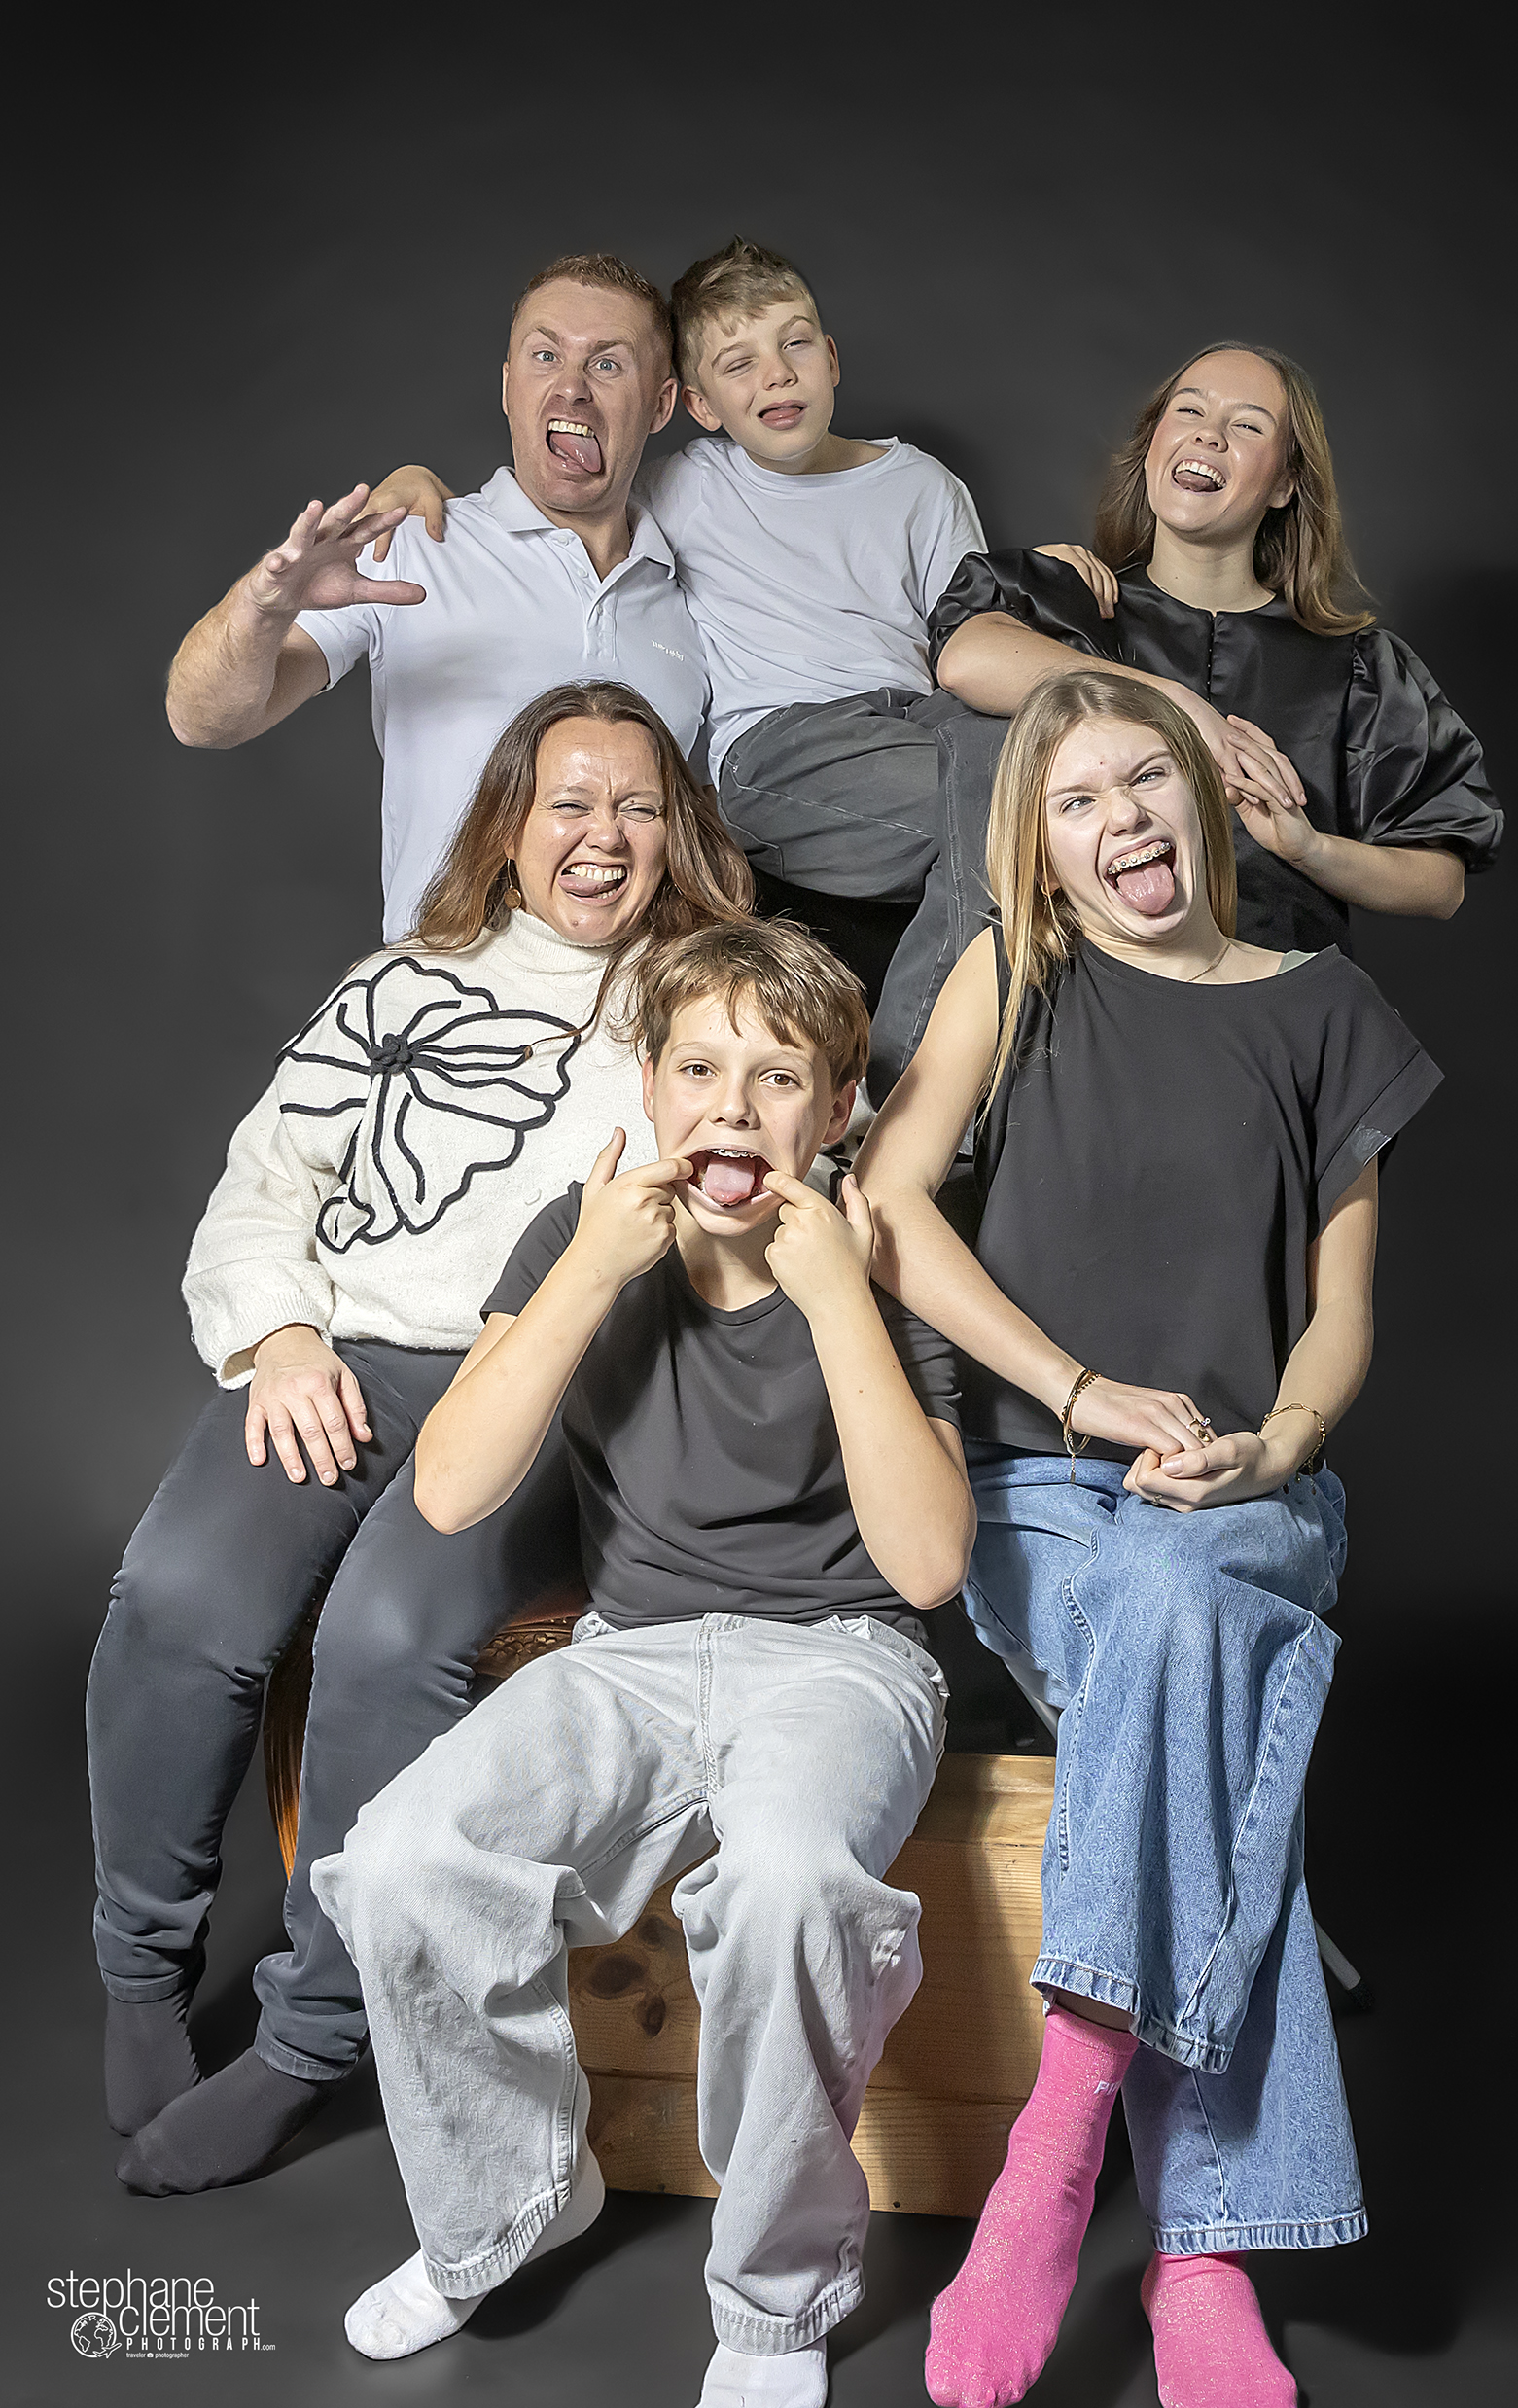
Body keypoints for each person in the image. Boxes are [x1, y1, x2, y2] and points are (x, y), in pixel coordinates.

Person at [855, 671, 1442, 2407]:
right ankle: (1203, 2256)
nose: (1120, 821)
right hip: (1040, 1489)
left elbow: (1340, 1316)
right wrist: (1076, 1388)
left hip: (1250, 1498)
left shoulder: (1327, 1006)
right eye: (1076, 801)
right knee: (1198, 1683)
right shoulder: (1017, 975)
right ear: (1040, 847)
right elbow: (887, 1203)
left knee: (1189, 1609)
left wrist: (1280, 1447)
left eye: (1143, 782)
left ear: (1201, 790)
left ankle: (1060, 2134)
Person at [88, 682, 753, 2198]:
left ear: (679, 832)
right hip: (348, 1357)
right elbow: (265, 1182)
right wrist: (281, 1337)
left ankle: (313, 2035)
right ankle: (140, 1963)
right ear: (510, 826)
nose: (601, 836)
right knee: (182, 1597)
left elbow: (766, 1175)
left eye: (637, 806)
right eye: (567, 801)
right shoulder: (402, 984)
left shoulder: (706, 1000)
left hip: (551, 1380)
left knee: (391, 1638)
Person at [311, 919, 974, 2408]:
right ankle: (513, 2201)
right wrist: (587, 1274)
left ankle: (774, 2309)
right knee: (405, 1860)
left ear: (835, 1106)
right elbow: (450, 1490)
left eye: (778, 1077)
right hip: (631, 1657)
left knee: (791, 1888)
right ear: (651, 1084)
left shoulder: (874, 1252)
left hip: (843, 1658)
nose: (732, 1108)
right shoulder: (579, 1231)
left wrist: (837, 1298)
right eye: (698, 1069)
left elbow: (929, 1564)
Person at [364, 237, 987, 1101]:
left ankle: (913, 1100)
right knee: (1011, 811)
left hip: (898, 749)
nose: (776, 375)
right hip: (474, 966)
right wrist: (410, 481)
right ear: (695, 404)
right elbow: (572, 470)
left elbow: (968, 635)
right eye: (738, 363)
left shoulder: (896, 493)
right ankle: (915, 1098)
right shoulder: (672, 490)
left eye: (795, 344)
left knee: (1029, 793)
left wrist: (1036, 584)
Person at [164, 254, 708, 939]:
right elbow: (202, 720)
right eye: (545, 356)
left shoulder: (695, 598)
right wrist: (263, 607)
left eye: (607, 364)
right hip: (445, 995)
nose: (571, 387)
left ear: (661, 404)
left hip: (641, 1000)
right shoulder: (407, 543)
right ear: (508, 386)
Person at [930, 341, 1501, 955]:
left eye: (1247, 425)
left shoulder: (1359, 666)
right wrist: (1170, 702)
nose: (1208, 435)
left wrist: (1309, 849)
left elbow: (1439, 885)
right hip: (1088, 986)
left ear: (1285, 482)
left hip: (1277, 990)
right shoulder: (1065, 603)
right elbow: (964, 659)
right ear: (1153, 445)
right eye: (1189, 411)